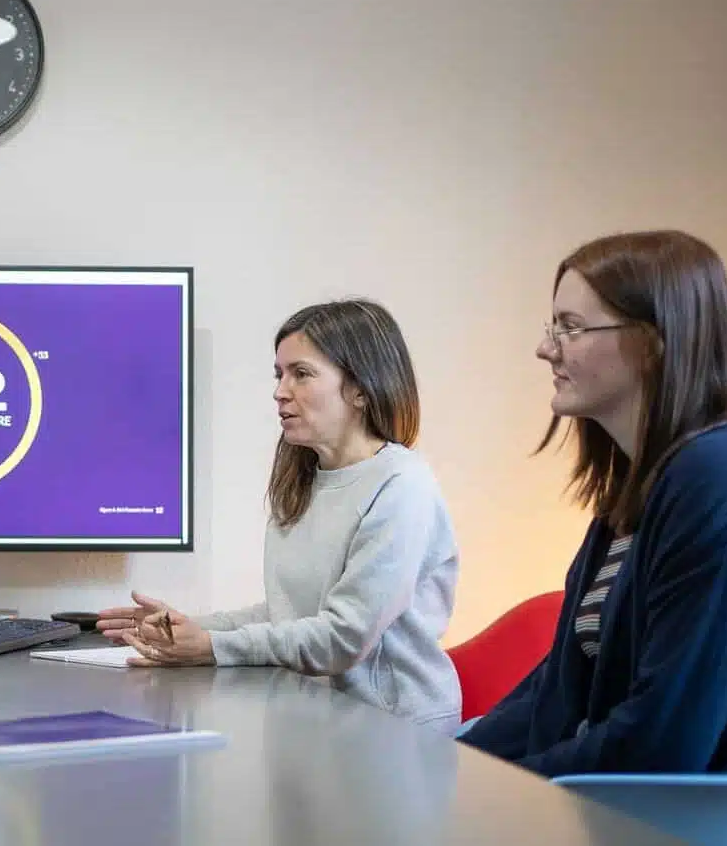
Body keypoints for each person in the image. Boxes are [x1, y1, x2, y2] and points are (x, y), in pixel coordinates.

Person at [459, 230, 727, 776]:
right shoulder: (644, 484)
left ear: (653, 341)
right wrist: (445, 764)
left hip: (692, 817)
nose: (546, 348)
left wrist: (498, 786)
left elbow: (664, 742)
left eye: (570, 328)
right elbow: (555, 693)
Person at [97, 299, 462, 732]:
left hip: (393, 729)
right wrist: (186, 628)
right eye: (279, 374)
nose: (279, 391)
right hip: (314, 715)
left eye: (301, 374)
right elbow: (288, 613)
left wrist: (212, 646)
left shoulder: (402, 485)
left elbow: (343, 639)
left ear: (361, 389)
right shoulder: (303, 480)